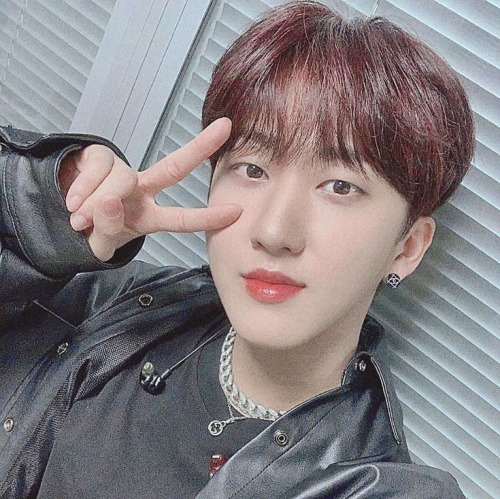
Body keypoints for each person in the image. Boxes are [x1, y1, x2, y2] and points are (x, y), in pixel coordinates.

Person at [0, 1, 474, 497]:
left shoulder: (370, 487)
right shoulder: (119, 304)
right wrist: (46, 208)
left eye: (340, 186)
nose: (273, 230)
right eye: (252, 169)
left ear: (407, 247)